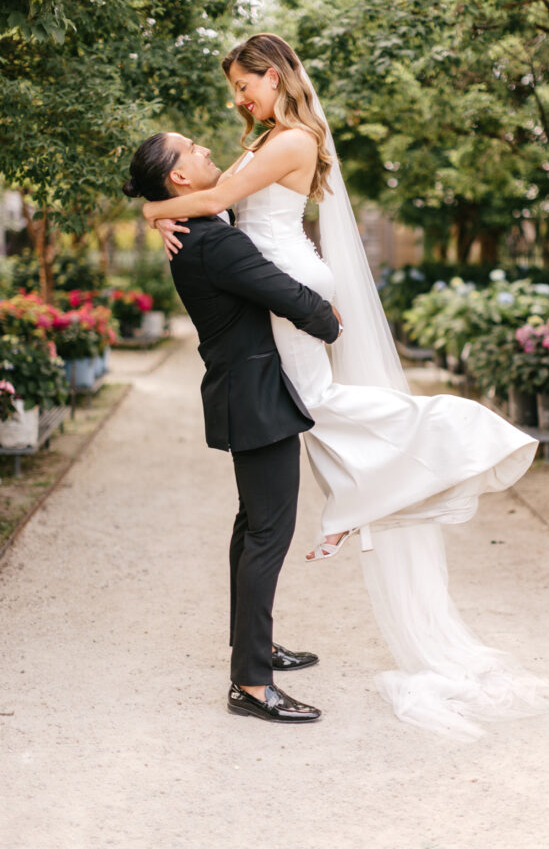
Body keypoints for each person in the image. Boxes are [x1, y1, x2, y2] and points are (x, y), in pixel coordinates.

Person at [137, 34, 547, 738]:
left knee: (294, 467)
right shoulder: (259, 149)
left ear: (274, 76)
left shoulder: (288, 141)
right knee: (269, 514)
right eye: (235, 87)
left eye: (244, 84)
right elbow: (220, 206)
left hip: (281, 307)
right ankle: (252, 674)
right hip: (268, 338)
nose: (236, 101)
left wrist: (151, 211)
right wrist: (163, 211)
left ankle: (441, 439)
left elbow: (224, 198)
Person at [123, 134, 341, 725]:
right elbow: (281, 291)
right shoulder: (213, 241)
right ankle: (250, 682)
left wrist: (153, 212)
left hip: (243, 390)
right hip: (255, 395)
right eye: (190, 149)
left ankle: (253, 648)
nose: (204, 149)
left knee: (253, 527)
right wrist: (331, 320)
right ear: (179, 179)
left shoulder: (197, 225)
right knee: (269, 532)